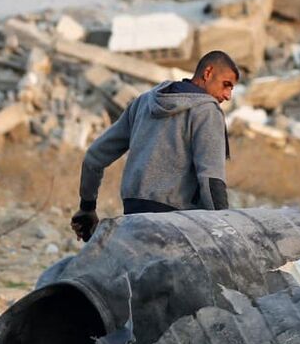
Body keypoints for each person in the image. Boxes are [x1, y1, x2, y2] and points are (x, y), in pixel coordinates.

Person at [70, 50, 239, 241]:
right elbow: (211, 181)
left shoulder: (144, 102)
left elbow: (95, 155)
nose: (228, 96)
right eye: (226, 85)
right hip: (179, 225)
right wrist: (226, 234)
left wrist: (87, 207)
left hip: (133, 216)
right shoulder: (207, 111)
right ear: (208, 73)